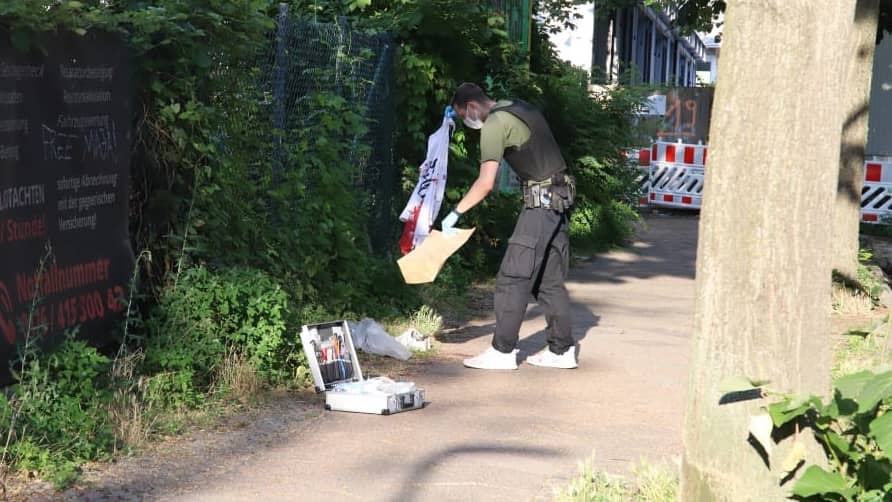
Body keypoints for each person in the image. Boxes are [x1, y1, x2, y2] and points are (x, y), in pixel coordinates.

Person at [441, 82, 577, 370]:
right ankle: (561, 350)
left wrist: (456, 212)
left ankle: (502, 351)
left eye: (464, 115)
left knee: (513, 277)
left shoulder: (494, 124)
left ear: (473, 108)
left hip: (541, 203)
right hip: (561, 198)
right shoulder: (516, 106)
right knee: (548, 281)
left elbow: (485, 183)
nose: (468, 122)